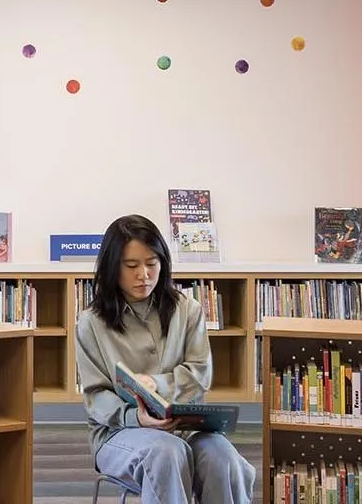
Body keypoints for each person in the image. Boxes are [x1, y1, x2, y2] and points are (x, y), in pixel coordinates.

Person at [73, 214, 253, 504]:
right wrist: (137, 417)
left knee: (224, 459)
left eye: (152, 263)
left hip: (188, 429)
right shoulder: (90, 323)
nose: (143, 274)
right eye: (131, 265)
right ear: (111, 267)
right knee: (166, 453)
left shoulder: (188, 310)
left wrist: (154, 384)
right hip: (119, 434)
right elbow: (96, 397)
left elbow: (200, 375)